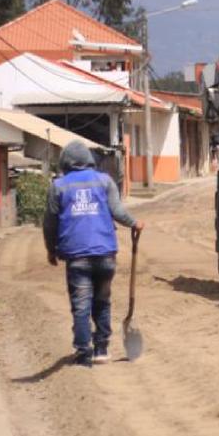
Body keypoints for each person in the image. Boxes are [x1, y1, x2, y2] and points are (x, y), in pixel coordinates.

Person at [42, 140, 144, 367]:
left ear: (65, 162)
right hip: (105, 254)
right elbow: (117, 211)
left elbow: (49, 223)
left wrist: (51, 250)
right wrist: (134, 223)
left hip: (76, 256)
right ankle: (101, 349)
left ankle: (83, 352)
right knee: (102, 301)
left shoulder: (58, 186)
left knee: (81, 305)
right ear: (89, 160)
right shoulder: (104, 181)